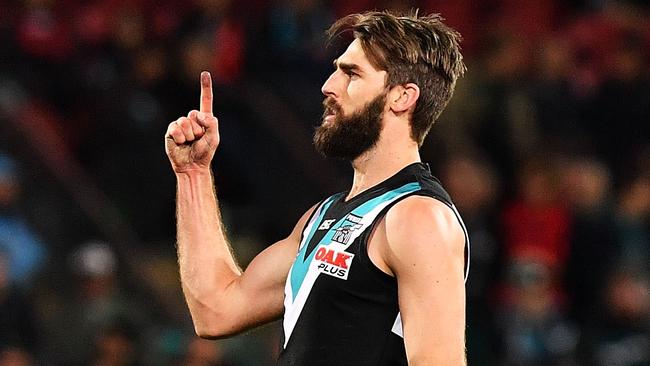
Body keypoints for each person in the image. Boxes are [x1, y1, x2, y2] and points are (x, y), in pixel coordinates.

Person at [165, 11, 469, 365]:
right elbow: (216, 310)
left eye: (351, 74)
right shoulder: (322, 217)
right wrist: (193, 175)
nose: (328, 85)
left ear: (402, 97)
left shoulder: (419, 216)